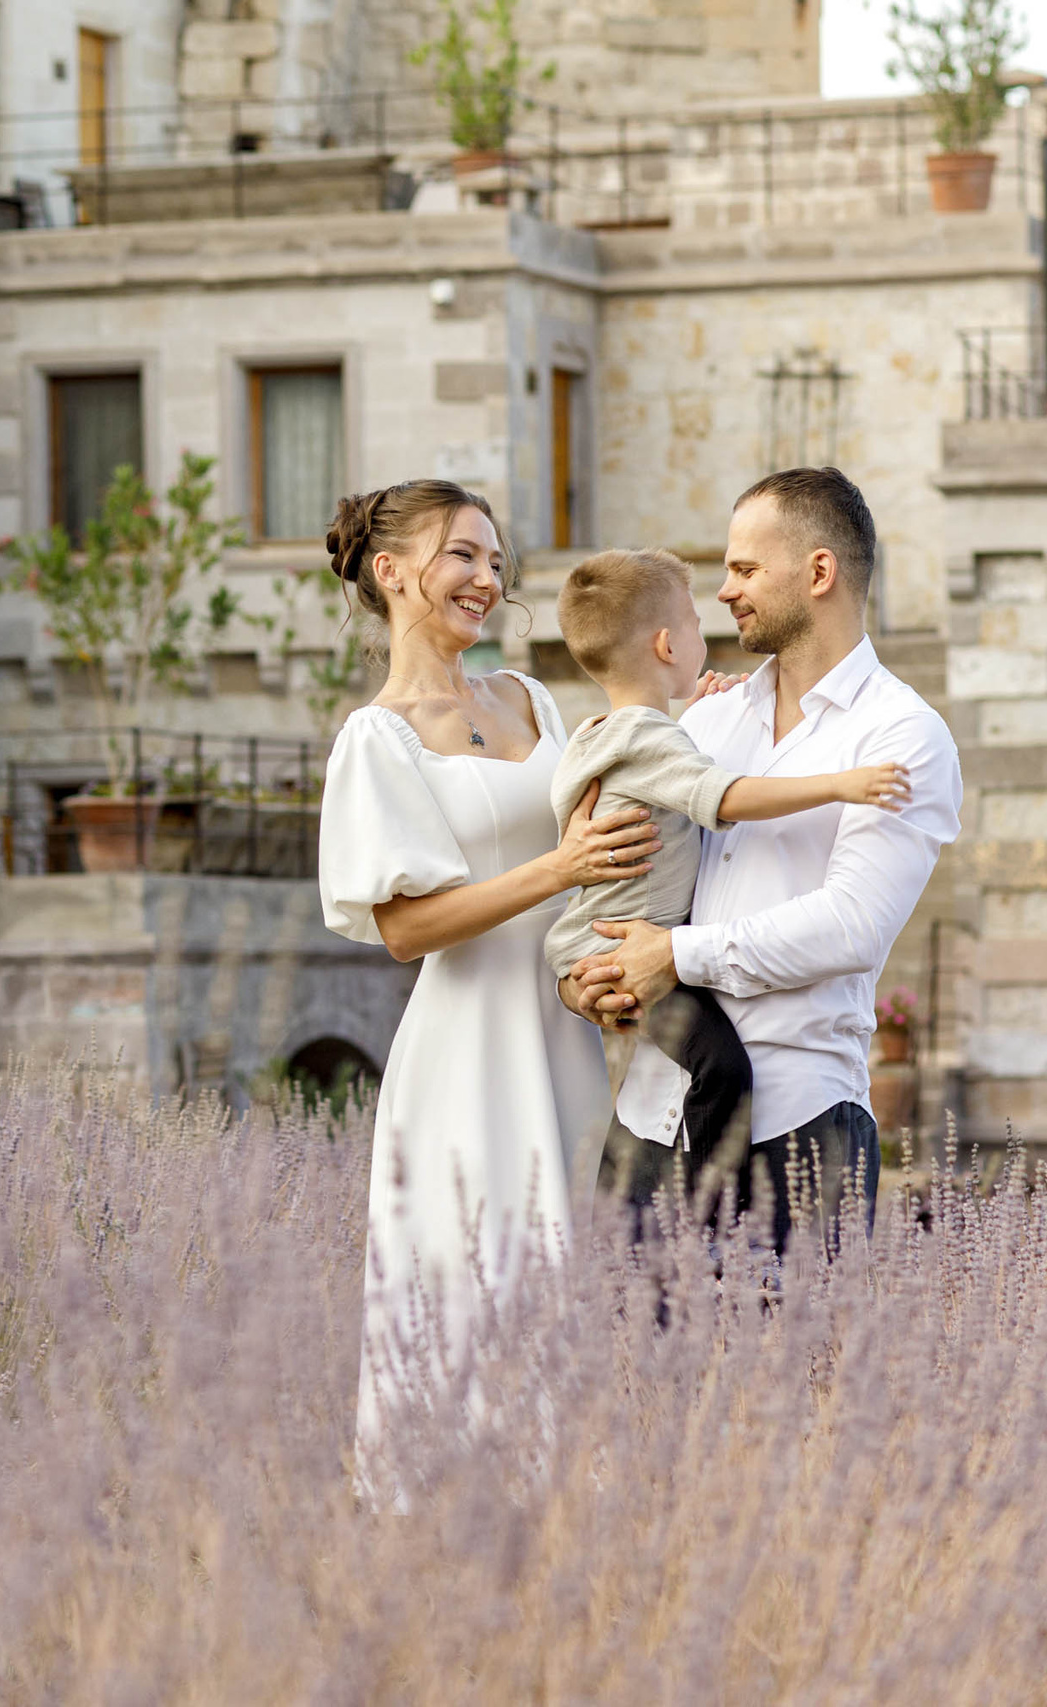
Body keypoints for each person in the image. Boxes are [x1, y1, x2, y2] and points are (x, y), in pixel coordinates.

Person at [314, 480, 661, 1464]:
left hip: (570, 1028)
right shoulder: (377, 738)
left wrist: (692, 722)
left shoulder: (529, 698)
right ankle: (452, 1517)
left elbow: (618, 792)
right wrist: (558, 868)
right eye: (462, 554)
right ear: (391, 571)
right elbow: (405, 928)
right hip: (468, 1050)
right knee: (478, 1286)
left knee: (584, 1274)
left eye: (496, 561)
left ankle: (585, 1512)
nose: (486, 578)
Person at [560, 469, 962, 1256]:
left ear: (819, 571)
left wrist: (673, 956)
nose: (724, 591)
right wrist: (590, 977)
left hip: (799, 1131)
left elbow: (851, 925)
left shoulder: (902, 735)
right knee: (617, 1340)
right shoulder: (704, 719)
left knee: (789, 1342)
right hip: (649, 1120)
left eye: (744, 568)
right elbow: (633, 874)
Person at [544, 546, 913, 1191]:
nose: (720, 601)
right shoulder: (654, 740)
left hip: (598, 950)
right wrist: (839, 784)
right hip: (620, 964)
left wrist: (691, 716)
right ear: (667, 646)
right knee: (724, 1071)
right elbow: (727, 796)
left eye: (746, 569)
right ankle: (709, 1203)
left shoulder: (601, 733)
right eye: (693, 624)